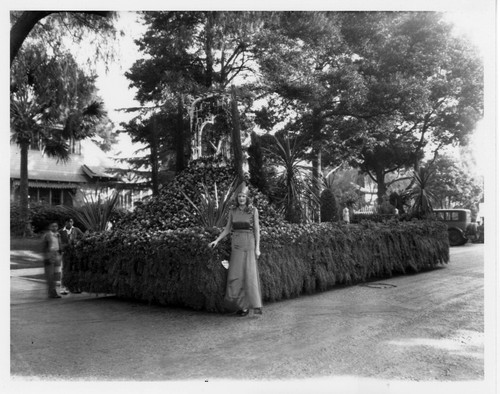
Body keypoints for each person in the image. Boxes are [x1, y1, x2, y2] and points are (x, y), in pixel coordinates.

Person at [209, 183, 263, 317]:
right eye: (239, 196)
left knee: (248, 275)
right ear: (237, 198)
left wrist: (257, 248)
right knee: (236, 275)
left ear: (247, 197)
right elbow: (227, 229)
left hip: (249, 244)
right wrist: (217, 240)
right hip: (236, 244)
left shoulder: (253, 210)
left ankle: (246, 306)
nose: (241, 198)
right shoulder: (232, 211)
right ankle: (238, 304)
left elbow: (257, 230)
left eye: (243, 196)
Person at [59, 218, 84, 294]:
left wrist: (78, 243)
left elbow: (83, 238)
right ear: (65, 223)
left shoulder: (76, 230)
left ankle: (75, 288)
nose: (70, 223)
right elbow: (58, 243)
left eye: (71, 222)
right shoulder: (60, 231)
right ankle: (64, 288)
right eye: (68, 222)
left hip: (75, 253)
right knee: (65, 270)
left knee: (75, 270)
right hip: (65, 253)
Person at [42, 222, 63, 299]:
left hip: (57, 255)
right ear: (50, 227)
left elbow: (60, 245)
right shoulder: (47, 235)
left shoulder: (58, 235)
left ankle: (52, 292)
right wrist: (46, 257)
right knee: (50, 275)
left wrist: (60, 253)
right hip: (49, 255)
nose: (55, 227)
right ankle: (52, 293)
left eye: (56, 226)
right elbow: (44, 247)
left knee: (56, 275)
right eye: (53, 226)